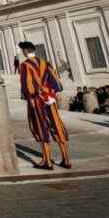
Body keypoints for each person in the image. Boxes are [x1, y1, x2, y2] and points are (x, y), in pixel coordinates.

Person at [18, 41, 71, 170]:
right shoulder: (45, 63)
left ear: (25, 51)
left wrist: (29, 96)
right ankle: (66, 159)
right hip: (50, 100)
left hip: (37, 101)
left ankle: (47, 161)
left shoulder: (25, 65)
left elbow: (28, 86)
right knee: (57, 125)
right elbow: (57, 83)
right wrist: (50, 93)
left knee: (41, 127)